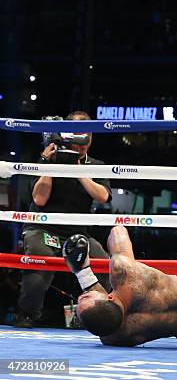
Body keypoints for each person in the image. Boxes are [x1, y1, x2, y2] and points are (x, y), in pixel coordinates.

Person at [15, 110, 111, 328]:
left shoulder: (96, 165)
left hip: (77, 233)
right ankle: (28, 314)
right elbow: (39, 199)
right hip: (43, 228)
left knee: (104, 265)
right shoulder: (48, 158)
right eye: (77, 132)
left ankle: (100, 315)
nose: (82, 140)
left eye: (87, 134)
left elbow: (102, 196)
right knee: (40, 259)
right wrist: (51, 163)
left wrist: (77, 169)